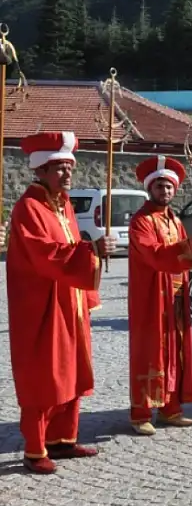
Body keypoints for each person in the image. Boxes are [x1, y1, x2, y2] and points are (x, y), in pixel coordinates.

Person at [6, 132, 114, 474]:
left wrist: (90, 249)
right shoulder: (29, 207)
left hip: (69, 300)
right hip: (40, 305)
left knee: (72, 369)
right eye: (60, 168)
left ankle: (62, 439)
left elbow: (70, 245)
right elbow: (45, 254)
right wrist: (91, 251)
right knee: (43, 373)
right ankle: (35, 449)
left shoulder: (64, 204)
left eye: (70, 167)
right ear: (41, 170)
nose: (67, 174)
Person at [128, 155, 192, 435]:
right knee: (149, 354)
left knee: (176, 354)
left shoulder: (175, 221)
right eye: (160, 186)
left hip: (176, 298)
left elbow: (185, 257)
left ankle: (171, 408)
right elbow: (153, 254)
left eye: (170, 187)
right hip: (152, 298)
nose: (165, 191)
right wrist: (185, 248)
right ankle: (140, 412)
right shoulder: (142, 221)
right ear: (151, 189)